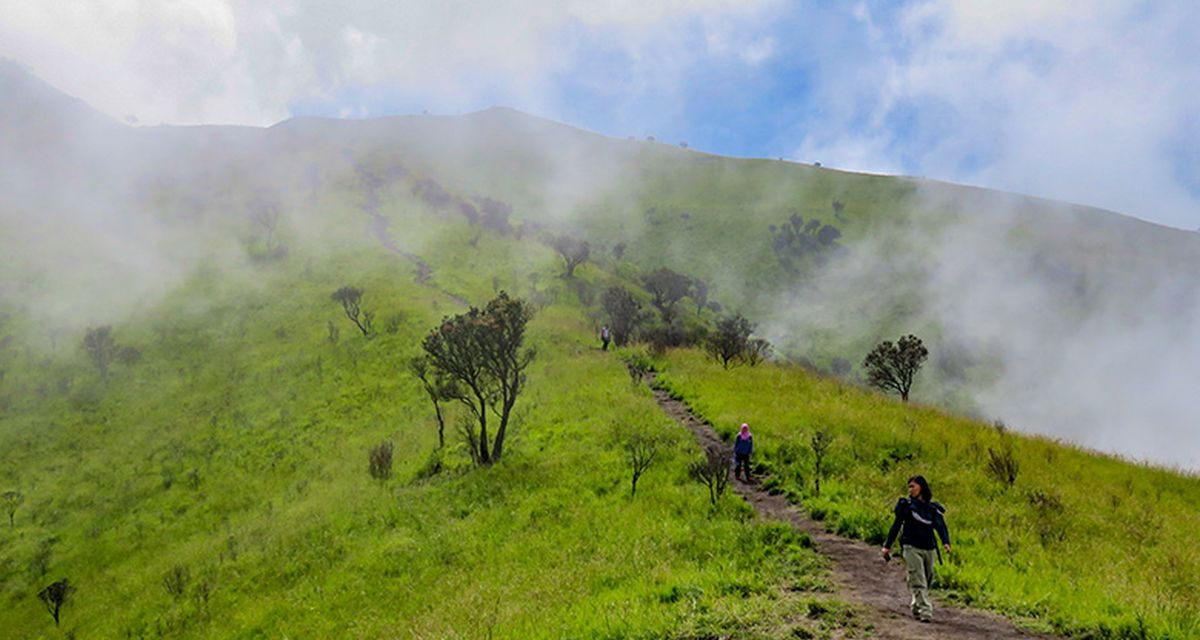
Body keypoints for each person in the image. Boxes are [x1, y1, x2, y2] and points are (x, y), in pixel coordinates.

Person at [880, 475, 950, 623]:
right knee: (918, 579)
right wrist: (887, 546)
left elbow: (941, 526)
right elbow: (896, 525)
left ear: (921, 487)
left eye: (913, 486)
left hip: (929, 548)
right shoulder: (906, 506)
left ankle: (916, 604)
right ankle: (926, 611)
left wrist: (946, 542)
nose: (910, 489)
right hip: (911, 547)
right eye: (909, 487)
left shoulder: (932, 509)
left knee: (928, 578)